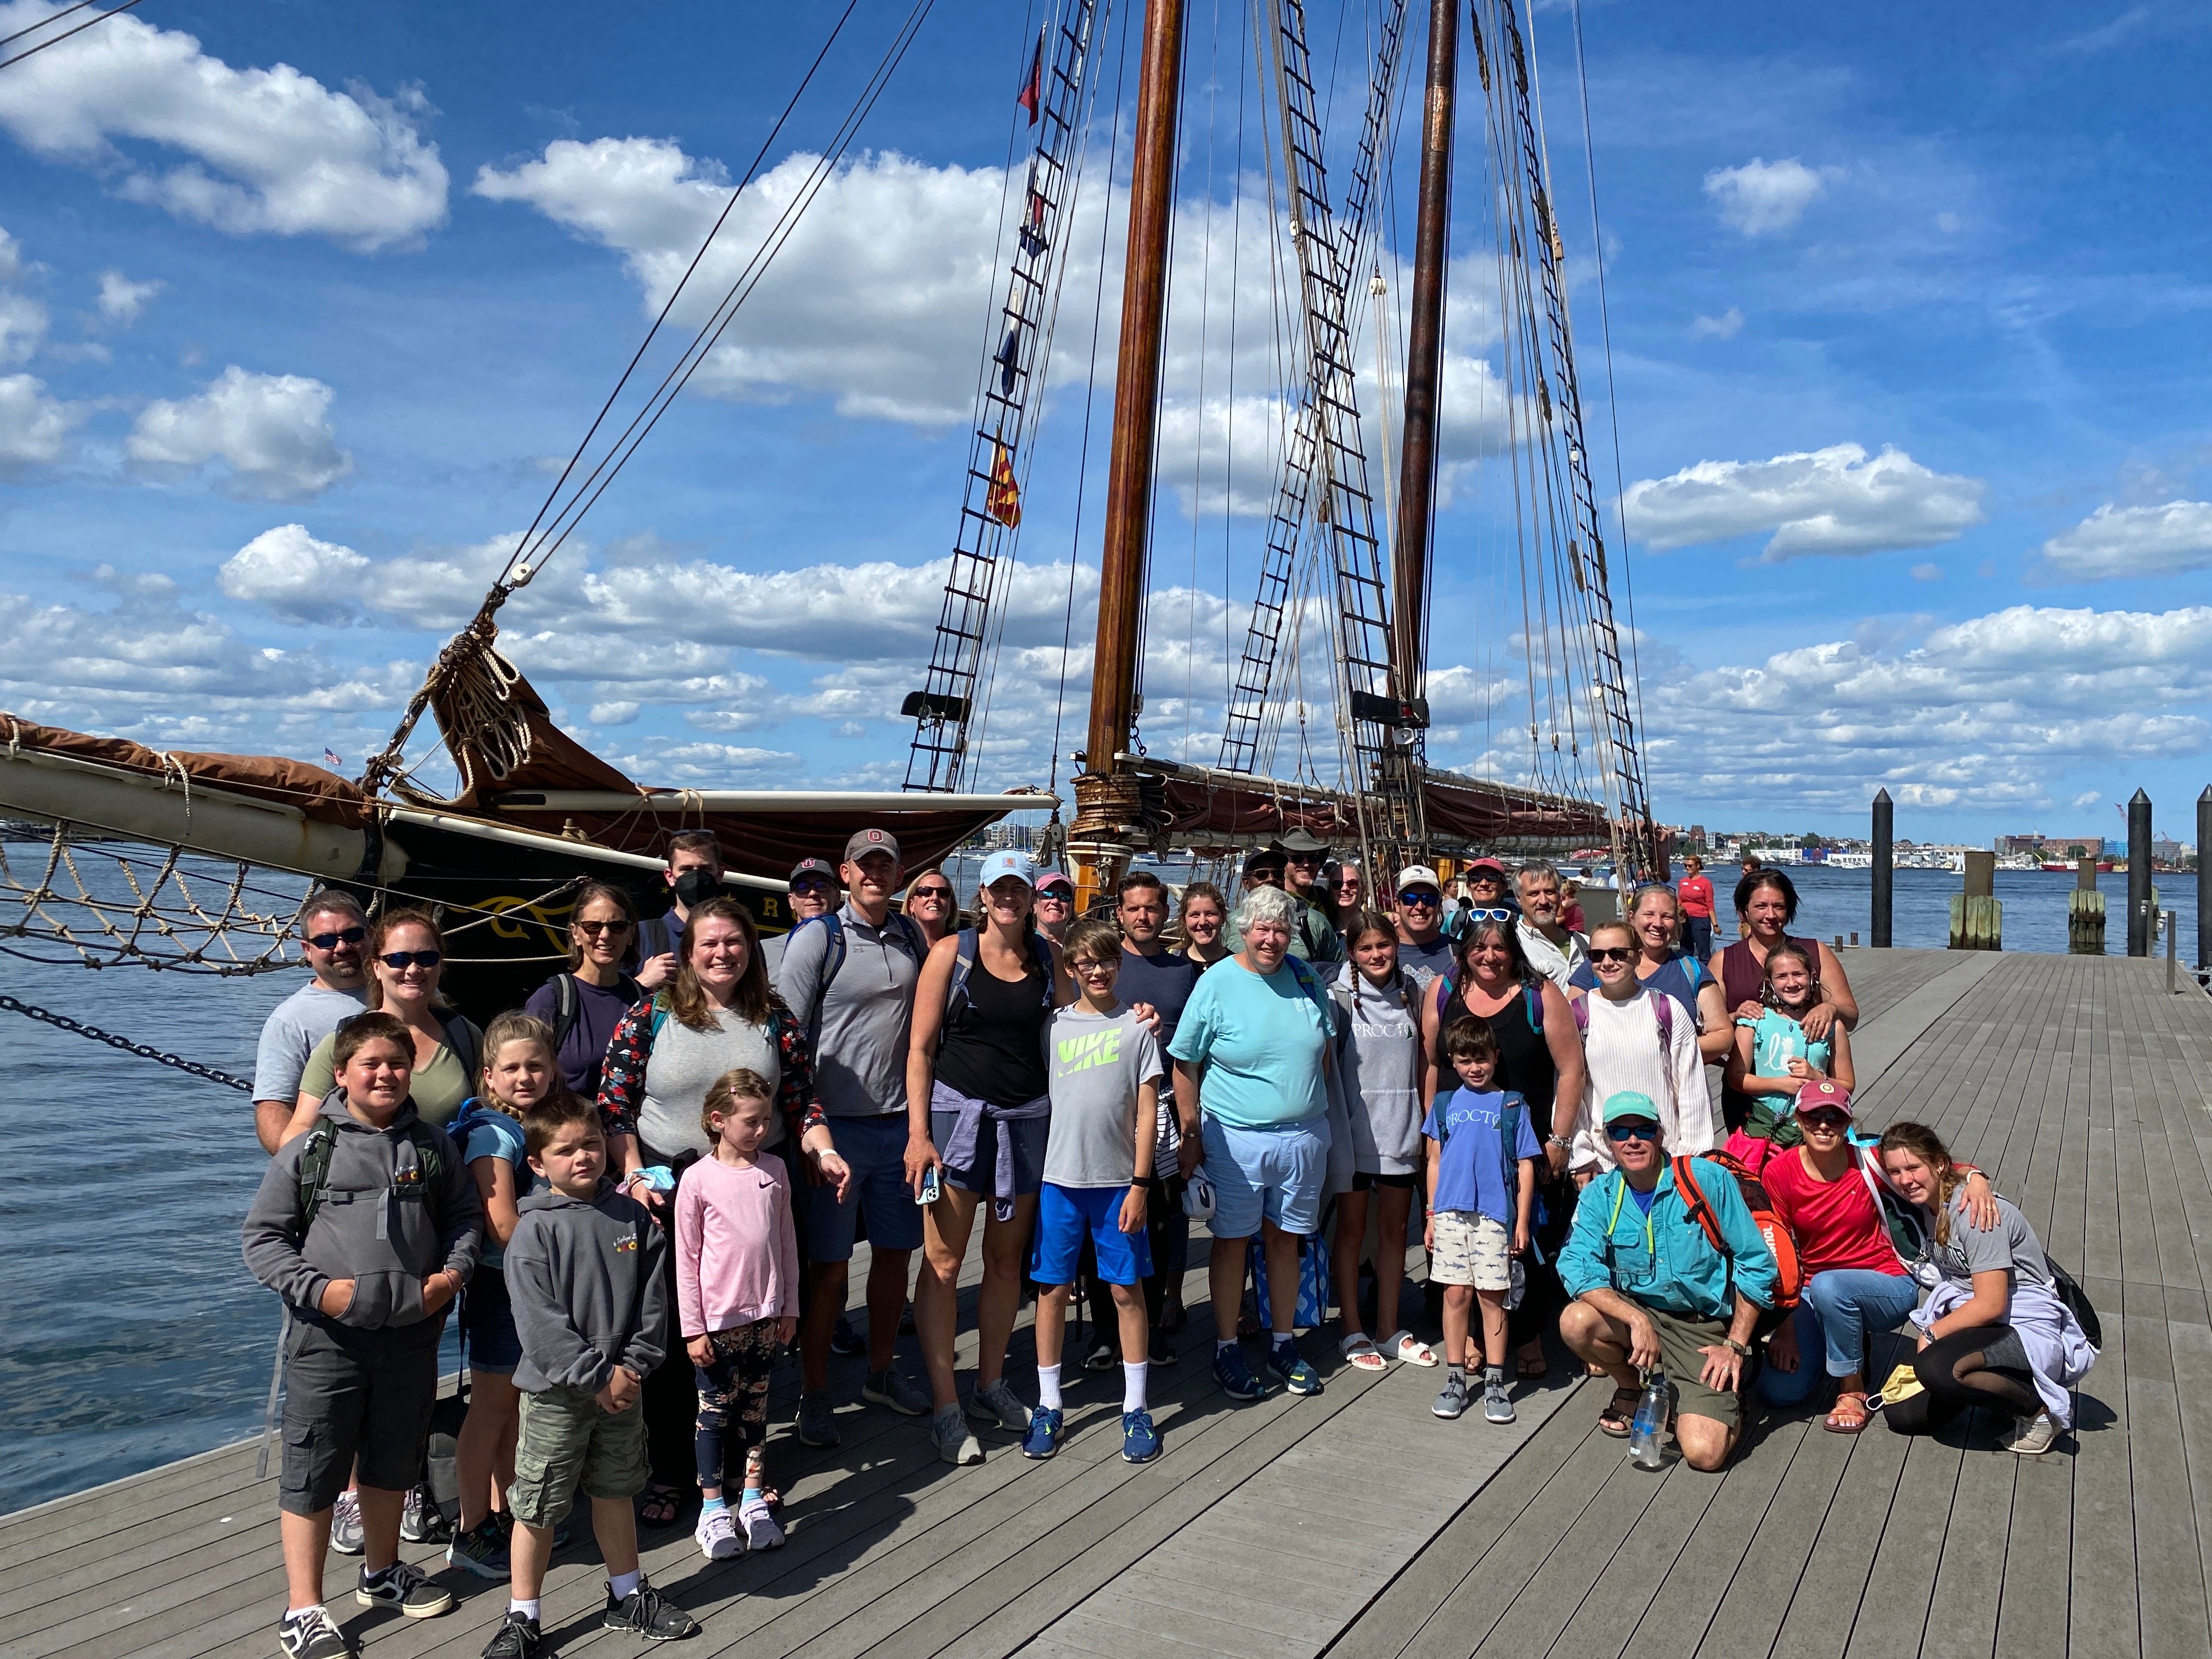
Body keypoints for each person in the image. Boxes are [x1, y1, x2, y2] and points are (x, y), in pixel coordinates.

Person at [596, 895, 845, 1529]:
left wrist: (824, 1150)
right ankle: (674, 1471)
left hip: (745, 1193)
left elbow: (801, 1101)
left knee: (746, 1328)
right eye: (709, 942)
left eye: (734, 942)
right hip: (669, 1192)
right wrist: (632, 1175)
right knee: (680, 1335)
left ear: (750, 949)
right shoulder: (650, 1014)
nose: (722, 953)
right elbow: (615, 1102)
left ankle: (742, 1464)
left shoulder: (773, 1017)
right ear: (688, 951)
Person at [241, 1012, 482, 1659]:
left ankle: (381, 1572)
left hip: (411, 1336)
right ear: (340, 1074)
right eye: (370, 1064)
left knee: (392, 1460)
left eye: (397, 1063)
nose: (385, 1074)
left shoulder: (433, 1147)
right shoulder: (309, 1150)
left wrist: (450, 1277)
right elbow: (262, 1240)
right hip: (328, 1341)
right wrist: (321, 1291)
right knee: (315, 1468)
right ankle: (304, 1608)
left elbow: (464, 1217)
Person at [483, 1094, 697, 1658]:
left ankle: (626, 1595)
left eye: (592, 1144)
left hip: (624, 1389)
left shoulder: (633, 1218)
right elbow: (540, 1326)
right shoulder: (533, 1234)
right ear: (536, 1163)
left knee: (617, 1490)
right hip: (557, 1394)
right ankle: (523, 1617)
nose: (582, 1156)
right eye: (565, 1149)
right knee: (538, 1506)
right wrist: (596, 1376)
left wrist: (632, 1367)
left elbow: (654, 1305)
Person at [905, 849, 1068, 1465]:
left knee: (1005, 1262)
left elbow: (1079, 1025)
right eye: (998, 888)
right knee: (944, 1263)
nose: (1008, 898)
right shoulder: (952, 954)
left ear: (1029, 896)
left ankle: (990, 1383)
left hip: (1025, 1121)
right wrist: (919, 1135)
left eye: (1018, 889)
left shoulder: (1047, 958)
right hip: (958, 1122)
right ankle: (947, 1405)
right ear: (983, 895)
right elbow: (920, 1051)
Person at [773, 829, 934, 1445]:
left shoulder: (909, 936)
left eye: (885, 866)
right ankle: (815, 1393)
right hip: (834, 1129)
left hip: (897, 1126)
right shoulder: (821, 938)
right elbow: (786, 1038)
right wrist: (808, 1130)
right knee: (829, 1270)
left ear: (899, 875)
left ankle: (880, 1372)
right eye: (865, 866)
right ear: (846, 874)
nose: (875, 875)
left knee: (897, 1255)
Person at [1167, 883, 1334, 1404]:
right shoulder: (1216, 982)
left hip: (1302, 1136)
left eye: (1281, 929)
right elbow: (1185, 1062)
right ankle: (1225, 1348)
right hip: (1234, 1138)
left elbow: (1322, 1051)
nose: (1272, 938)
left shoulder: (1307, 978)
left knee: (1287, 1241)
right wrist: (1191, 1132)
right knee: (1233, 1240)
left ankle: (1283, 1343)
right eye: (1262, 928)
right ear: (1243, 929)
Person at [1557, 1091, 1778, 1471]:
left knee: (1703, 1454)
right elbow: (1575, 1265)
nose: (1633, 1140)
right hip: (1639, 1315)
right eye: (1620, 1131)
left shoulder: (1706, 1180)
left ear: (1660, 1134)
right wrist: (1636, 1319)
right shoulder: (1600, 1196)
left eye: (1643, 1128)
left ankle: (1722, 1396)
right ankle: (1633, 1385)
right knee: (1575, 1322)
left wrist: (1735, 1345)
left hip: (1702, 1328)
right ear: (1608, 1140)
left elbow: (1757, 1264)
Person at [1756, 1085, 1995, 1433]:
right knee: (1779, 1392)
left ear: (1848, 1120)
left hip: (1885, 1281)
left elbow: (1936, 1166)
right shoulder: (1780, 1172)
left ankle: (1851, 1389)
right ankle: (1842, 1339)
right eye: (1814, 1116)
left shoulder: (1868, 1161)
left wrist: (1976, 1178)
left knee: (1831, 1287)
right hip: (1810, 1291)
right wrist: (1785, 1330)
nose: (1824, 1125)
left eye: (1834, 1116)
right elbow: (1776, 1250)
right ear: (1799, 1119)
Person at [1022, 914, 1166, 1465]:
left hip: (1116, 1186)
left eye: (1107, 960)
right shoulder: (1054, 1026)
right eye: (1086, 963)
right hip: (1060, 1181)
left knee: (1127, 1292)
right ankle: (1050, 1403)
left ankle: (1135, 1407)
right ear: (1072, 968)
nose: (1097, 970)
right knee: (1052, 1291)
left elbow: (1148, 1113)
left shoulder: (1136, 1029)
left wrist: (1140, 1184)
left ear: (1119, 963)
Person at [1419, 916, 1585, 1378]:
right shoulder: (1442, 992)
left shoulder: (1540, 995)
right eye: (1479, 947)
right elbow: (1433, 1064)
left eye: (1499, 948)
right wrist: (1432, 1131)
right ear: (1464, 950)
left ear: (1514, 950)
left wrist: (1560, 1140)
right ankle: (1471, 1333)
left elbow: (1571, 1070)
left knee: (1522, 1241)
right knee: (1460, 1240)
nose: (1489, 956)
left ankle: (1529, 1334)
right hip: (1460, 1145)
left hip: (1521, 1144)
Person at [1877, 1121, 2097, 1454]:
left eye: (1913, 1167)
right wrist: (1974, 1175)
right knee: (1904, 1415)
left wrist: (1932, 1334)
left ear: (1938, 1164)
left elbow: (1991, 1303)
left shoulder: (1973, 1211)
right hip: (1977, 1317)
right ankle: (1989, 1387)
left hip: (2021, 1321)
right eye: (1894, 1171)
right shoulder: (1928, 1205)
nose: (1904, 1180)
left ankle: (2036, 1409)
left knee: (1936, 1369)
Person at [445, 1015, 558, 1581]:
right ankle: (470, 1529)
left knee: (513, 1407)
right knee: (489, 1410)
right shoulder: (496, 1134)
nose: (525, 1076)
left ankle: (507, 1509)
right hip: (501, 1289)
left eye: (536, 1065)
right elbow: (504, 1226)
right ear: (488, 1078)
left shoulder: (538, 1125)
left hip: (529, 1287)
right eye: (511, 1068)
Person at [675, 1069, 800, 1561]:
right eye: (751, 1121)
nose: (761, 1130)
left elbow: (787, 1241)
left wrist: (789, 1305)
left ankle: (751, 1498)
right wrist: (693, 1329)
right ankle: (712, 1509)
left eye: (767, 1120)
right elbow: (687, 1260)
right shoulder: (698, 1180)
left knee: (756, 1410)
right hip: (718, 1323)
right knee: (714, 1414)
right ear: (718, 1121)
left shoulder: (775, 1171)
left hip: (766, 1318)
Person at [1328, 909, 1433, 1373]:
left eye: (1384, 945)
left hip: (1402, 1131)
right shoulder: (1339, 999)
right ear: (1352, 952)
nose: (1377, 955)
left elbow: (1425, 1062)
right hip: (1354, 1135)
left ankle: (1389, 1328)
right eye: (1366, 947)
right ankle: (1352, 1327)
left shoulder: (1413, 993)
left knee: (1394, 1236)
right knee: (1351, 1234)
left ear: (1396, 945)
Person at [1423, 1018, 1539, 1423]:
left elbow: (1526, 1166)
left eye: (1483, 1059)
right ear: (1453, 1061)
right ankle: (1455, 1376)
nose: (1475, 1068)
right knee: (1455, 1295)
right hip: (1451, 1213)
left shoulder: (1511, 1105)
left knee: (1493, 1297)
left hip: (1494, 1216)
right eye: (1466, 1060)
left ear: (1496, 1058)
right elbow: (1434, 1160)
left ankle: (1494, 1379)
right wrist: (1431, 1214)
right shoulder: (1444, 1104)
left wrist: (1522, 1221)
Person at [1110, 871, 1205, 1346]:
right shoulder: (1104, 967)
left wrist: (1193, 1129)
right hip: (1112, 1110)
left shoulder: (1183, 971)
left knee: (1169, 1213)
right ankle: (1116, 1317)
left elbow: (1193, 1052)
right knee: (1113, 1213)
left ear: (1165, 914)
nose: (1143, 916)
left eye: (1151, 908)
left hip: (1167, 1106)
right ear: (1120, 915)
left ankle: (1170, 1296)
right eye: (1134, 909)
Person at [290, 909, 483, 1137]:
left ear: (440, 965)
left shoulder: (465, 1036)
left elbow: (491, 1114)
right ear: (377, 968)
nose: (413, 970)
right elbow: (298, 1131)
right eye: (399, 960)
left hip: (448, 1171)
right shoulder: (342, 1040)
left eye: (427, 958)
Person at [1713, 869, 1859, 1132]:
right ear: (1743, 911)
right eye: (1760, 906)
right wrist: (1736, 1016)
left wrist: (1830, 1007)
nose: (1770, 915)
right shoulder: (1723, 961)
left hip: (1809, 1095)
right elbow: (1711, 1028)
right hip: (1747, 1092)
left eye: (1779, 906)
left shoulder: (1816, 952)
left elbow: (1851, 1016)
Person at [1568, 921, 1714, 1176]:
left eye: (1618, 954)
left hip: (1668, 1161)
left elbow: (1691, 1087)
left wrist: (1690, 1159)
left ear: (1637, 956)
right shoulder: (1578, 1014)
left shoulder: (1667, 1009)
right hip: (1605, 1165)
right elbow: (1572, 1088)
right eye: (1597, 955)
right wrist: (1581, 1157)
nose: (1607, 962)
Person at [253, 890, 370, 1153]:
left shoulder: (409, 989)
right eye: (327, 941)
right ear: (307, 950)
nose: (342, 947)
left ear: (369, 934)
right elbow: (274, 1107)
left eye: (352, 935)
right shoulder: (290, 1020)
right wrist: (301, 1166)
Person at [1567, 884, 1731, 1064]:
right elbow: (1568, 1029)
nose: (1658, 924)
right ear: (1632, 917)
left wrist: (1661, 1049)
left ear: (1676, 922)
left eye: (1667, 917)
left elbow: (1723, 1037)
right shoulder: (1600, 965)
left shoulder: (1692, 970)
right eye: (1649, 914)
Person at [1723, 942, 1856, 1161]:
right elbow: (1736, 1078)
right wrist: (1781, 1084)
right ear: (1770, 983)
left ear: (1812, 977)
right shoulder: (1754, 1021)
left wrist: (1817, 1078)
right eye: (1782, 976)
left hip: (1816, 1127)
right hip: (1765, 1127)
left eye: (1798, 974)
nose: (1792, 983)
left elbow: (1848, 1084)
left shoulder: (1832, 1027)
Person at [523, 883, 645, 1099]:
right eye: (593, 926)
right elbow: (524, 1075)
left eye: (617, 926)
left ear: (630, 933)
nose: (605, 935)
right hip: (566, 1126)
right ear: (576, 933)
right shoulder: (551, 999)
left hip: (627, 1129)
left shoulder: (642, 999)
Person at [635, 831, 729, 977]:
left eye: (705, 869)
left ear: (720, 874)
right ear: (670, 877)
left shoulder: (737, 937)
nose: (696, 877)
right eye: (686, 870)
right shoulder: (642, 934)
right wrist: (643, 982)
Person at [1242, 841, 1345, 964]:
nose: (1271, 879)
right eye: (1262, 875)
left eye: (1278, 874)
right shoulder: (1228, 924)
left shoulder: (1316, 920)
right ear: (1246, 883)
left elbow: (1340, 969)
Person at [759, 857, 839, 978]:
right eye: (802, 887)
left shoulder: (856, 948)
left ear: (837, 896)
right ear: (791, 901)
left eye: (822, 885)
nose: (813, 893)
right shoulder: (764, 951)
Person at [1513, 863, 1586, 989]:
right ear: (1518, 899)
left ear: (1559, 895)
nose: (1543, 901)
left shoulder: (1585, 944)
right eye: (1534, 894)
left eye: (1550, 892)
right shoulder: (1512, 947)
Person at [1390, 864, 1456, 987]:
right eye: (1410, 899)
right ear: (1397, 905)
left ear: (1439, 904)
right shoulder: (1382, 952)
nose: (1420, 907)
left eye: (1429, 899)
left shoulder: (1458, 952)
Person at [1177, 880, 1232, 968]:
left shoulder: (1237, 966)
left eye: (1210, 914)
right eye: (1195, 915)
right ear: (1184, 920)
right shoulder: (1174, 964)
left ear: (1223, 917)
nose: (1203, 922)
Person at [903, 868, 958, 949]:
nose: (935, 898)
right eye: (925, 891)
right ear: (911, 905)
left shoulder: (964, 949)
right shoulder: (898, 947)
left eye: (943, 893)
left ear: (951, 905)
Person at [1677, 854, 1717, 963]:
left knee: (1704, 952)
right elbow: (1679, 901)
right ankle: (1687, 976)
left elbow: (1710, 905)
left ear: (1698, 866)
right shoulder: (1682, 882)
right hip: (1685, 919)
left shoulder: (1706, 883)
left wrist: (1715, 925)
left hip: (1700, 919)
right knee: (1685, 952)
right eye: (1686, 866)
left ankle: (1707, 977)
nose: (1688, 868)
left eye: (1691, 866)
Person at [1033, 867, 1077, 945]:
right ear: (1034, 904)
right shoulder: (1021, 945)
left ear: (1072, 907)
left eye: (1064, 896)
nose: (1055, 901)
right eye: (1047, 894)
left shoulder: (1083, 947)